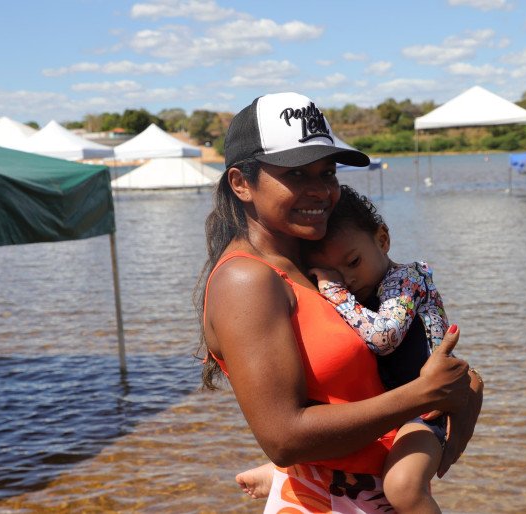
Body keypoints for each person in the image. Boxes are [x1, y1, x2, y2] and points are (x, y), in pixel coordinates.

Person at [197, 91, 483, 513]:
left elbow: (356, 380)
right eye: (296, 175)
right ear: (241, 183)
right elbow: (283, 437)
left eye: (327, 173)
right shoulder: (248, 280)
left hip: (366, 491)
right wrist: (426, 394)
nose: (321, 191)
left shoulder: (310, 262)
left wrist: (463, 389)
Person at [235, 185, 457, 513]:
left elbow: (386, 336)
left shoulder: (407, 279)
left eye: (353, 262)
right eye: (335, 273)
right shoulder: (367, 288)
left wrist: (331, 287)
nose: (349, 279)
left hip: (426, 411)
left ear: (382, 240)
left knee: (404, 487)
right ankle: (287, 473)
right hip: (396, 407)